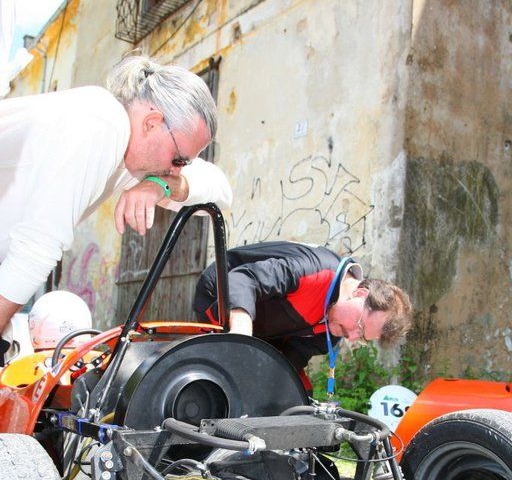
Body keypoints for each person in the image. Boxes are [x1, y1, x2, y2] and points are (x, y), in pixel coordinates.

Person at [0, 52, 232, 352]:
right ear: (152, 123)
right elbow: (35, 250)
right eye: (178, 160)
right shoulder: (101, 123)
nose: (177, 170)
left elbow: (221, 190)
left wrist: (159, 185)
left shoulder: (127, 151)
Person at [194, 241, 412, 391]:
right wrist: (241, 333)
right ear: (360, 294)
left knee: (295, 393)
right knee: (223, 381)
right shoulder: (314, 271)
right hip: (222, 292)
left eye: (363, 338)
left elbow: (288, 362)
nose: (352, 337)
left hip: (267, 328)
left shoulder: (335, 330)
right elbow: (242, 280)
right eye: (360, 326)